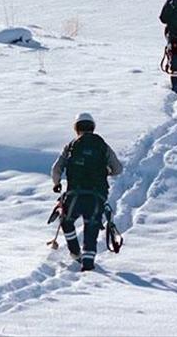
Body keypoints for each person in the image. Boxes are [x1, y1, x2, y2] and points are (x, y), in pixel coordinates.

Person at [51, 112, 123, 271]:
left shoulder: (71, 146)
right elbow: (118, 168)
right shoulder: (102, 145)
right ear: (93, 127)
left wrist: (56, 184)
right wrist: (106, 172)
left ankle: (75, 253)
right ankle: (88, 265)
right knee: (91, 226)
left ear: (76, 128)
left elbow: (56, 169)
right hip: (97, 195)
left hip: (74, 194)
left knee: (67, 221)